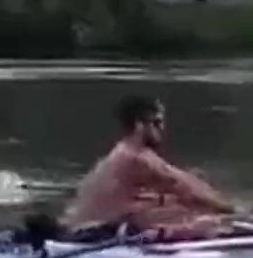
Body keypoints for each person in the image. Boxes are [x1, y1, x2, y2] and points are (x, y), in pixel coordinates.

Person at [61, 95, 240, 243]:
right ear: (140, 125)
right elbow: (189, 190)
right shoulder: (138, 159)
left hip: (87, 228)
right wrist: (232, 210)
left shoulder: (122, 151)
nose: (162, 129)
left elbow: (182, 180)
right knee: (206, 223)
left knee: (179, 208)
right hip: (95, 235)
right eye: (157, 123)